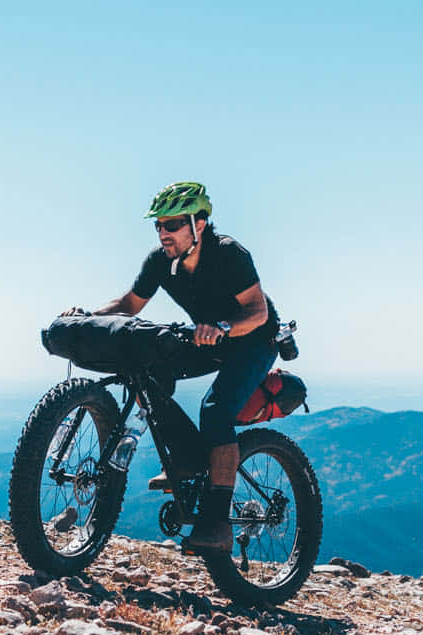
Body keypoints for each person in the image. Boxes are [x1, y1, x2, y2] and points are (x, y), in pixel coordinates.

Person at [64, 182, 279, 554]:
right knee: (150, 366)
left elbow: (257, 312)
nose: (164, 233)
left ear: (199, 223)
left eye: (173, 224)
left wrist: (225, 328)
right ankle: (185, 461)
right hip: (205, 339)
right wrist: (85, 316)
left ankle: (217, 522)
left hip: (253, 340)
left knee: (215, 411)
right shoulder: (161, 262)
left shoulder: (229, 254)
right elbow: (129, 305)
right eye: (159, 225)